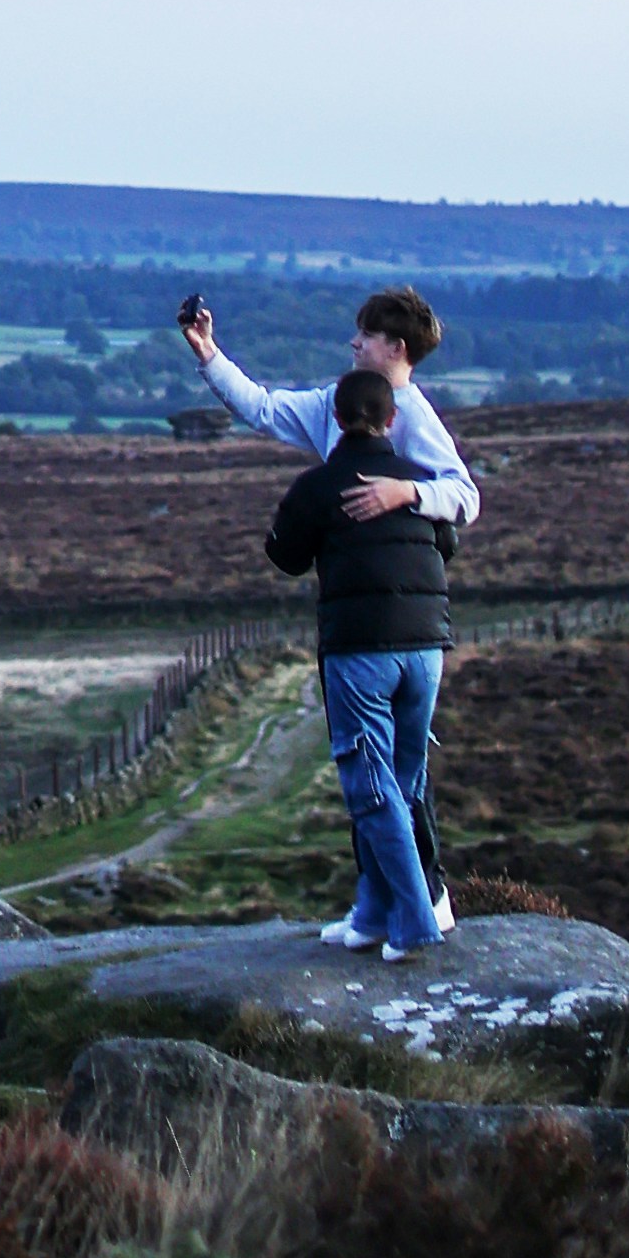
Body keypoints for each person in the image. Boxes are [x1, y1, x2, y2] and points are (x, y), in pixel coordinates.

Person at [179, 279, 476, 942]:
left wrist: (405, 491)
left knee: (387, 782)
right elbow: (261, 407)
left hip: (379, 627)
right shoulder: (335, 404)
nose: (352, 342)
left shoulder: (415, 419)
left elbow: (463, 495)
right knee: (391, 780)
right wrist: (208, 354)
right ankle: (378, 911)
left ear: (393, 347)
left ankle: (423, 907)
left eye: (364, 335)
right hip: (415, 626)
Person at [257, 360, 453, 955]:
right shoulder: (417, 480)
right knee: (404, 779)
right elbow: (447, 542)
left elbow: (285, 557)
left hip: (359, 647)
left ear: (337, 421)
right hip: (427, 648)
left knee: (371, 785)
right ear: (392, 420)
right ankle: (371, 915)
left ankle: (416, 921)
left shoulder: (317, 487)